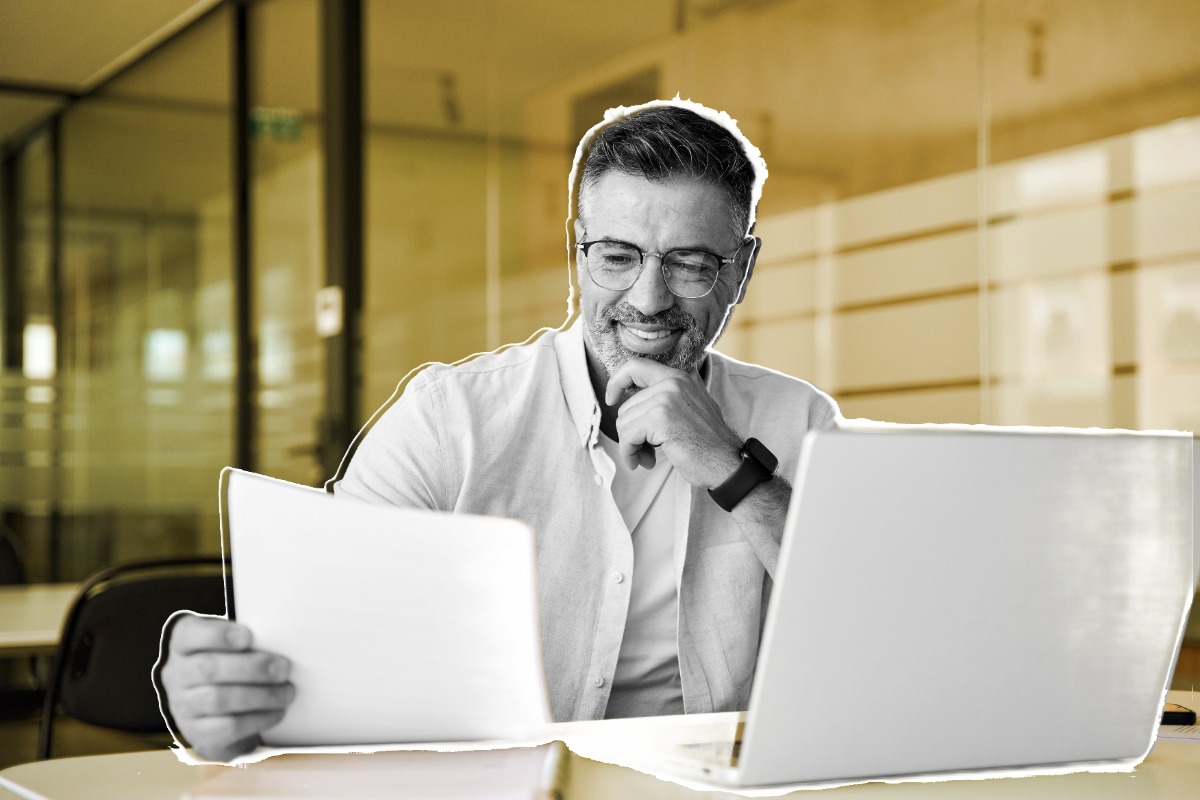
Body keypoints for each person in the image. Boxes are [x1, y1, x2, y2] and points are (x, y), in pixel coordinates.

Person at [158, 99, 839, 761]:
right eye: (617, 256)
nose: (648, 299)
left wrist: (729, 465)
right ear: (578, 252)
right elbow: (315, 649)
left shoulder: (799, 421)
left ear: (742, 269)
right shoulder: (449, 422)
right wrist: (225, 702)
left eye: (691, 264)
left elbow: (872, 639)